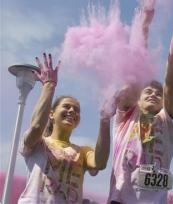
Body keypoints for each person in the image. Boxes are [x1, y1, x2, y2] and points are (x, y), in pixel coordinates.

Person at [108, 1, 173, 203]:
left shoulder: (168, 122)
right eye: (147, 91)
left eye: (159, 93)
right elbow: (136, 68)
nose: (153, 94)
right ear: (137, 99)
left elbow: (172, 78)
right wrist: (145, 24)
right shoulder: (126, 117)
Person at [18, 53, 111, 203]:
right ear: (51, 114)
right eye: (66, 107)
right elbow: (36, 127)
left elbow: (100, 163)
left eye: (77, 110)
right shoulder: (38, 144)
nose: (72, 111)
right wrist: (49, 85)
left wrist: (105, 120)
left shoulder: (83, 152)